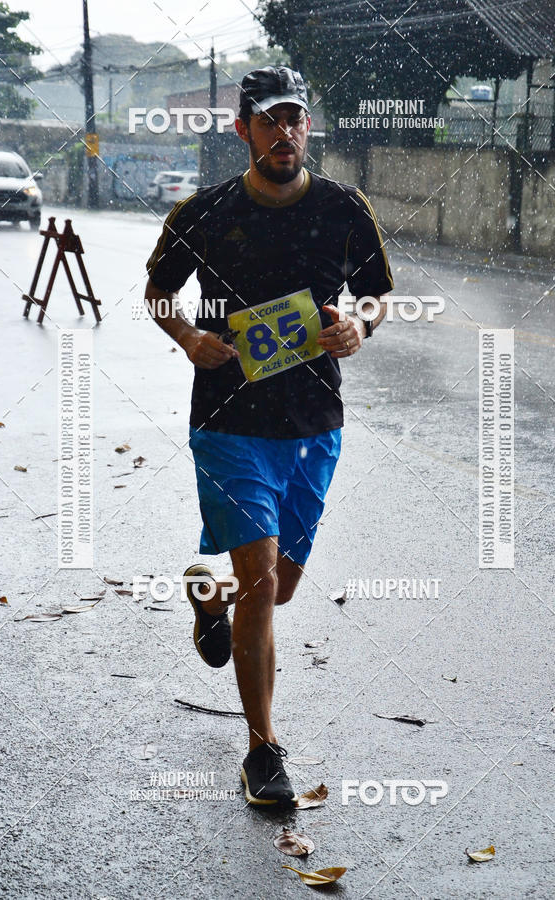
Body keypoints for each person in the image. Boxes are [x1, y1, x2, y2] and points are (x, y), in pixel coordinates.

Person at [144, 65, 394, 807]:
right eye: (269, 121)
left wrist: (360, 325)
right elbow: (159, 293)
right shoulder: (204, 212)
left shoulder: (345, 208)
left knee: (276, 589)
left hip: (313, 422)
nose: (285, 133)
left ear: (308, 126)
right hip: (228, 422)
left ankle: (211, 596)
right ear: (242, 130)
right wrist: (190, 338)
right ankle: (263, 749)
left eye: (296, 120)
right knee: (262, 582)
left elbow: (376, 294)